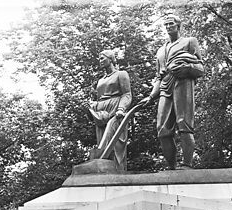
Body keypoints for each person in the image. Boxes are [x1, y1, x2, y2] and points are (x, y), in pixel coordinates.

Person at [138, 14, 204, 170]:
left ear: (178, 25)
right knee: (162, 130)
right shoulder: (161, 50)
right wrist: (151, 96)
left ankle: (187, 164)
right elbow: (157, 77)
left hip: (183, 83)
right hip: (164, 87)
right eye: (166, 24)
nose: (168, 27)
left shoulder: (189, 42)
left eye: (171, 23)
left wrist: (188, 68)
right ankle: (171, 168)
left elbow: (201, 68)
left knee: (184, 125)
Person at [87, 50, 132, 171]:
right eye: (99, 58)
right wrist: (93, 106)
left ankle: (118, 171)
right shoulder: (100, 80)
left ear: (111, 58)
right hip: (101, 113)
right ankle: (103, 169)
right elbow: (100, 97)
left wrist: (121, 109)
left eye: (102, 58)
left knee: (116, 143)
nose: (100, 61)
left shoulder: (121, 74)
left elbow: (127, 94)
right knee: (102, 142)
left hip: (116, 109)